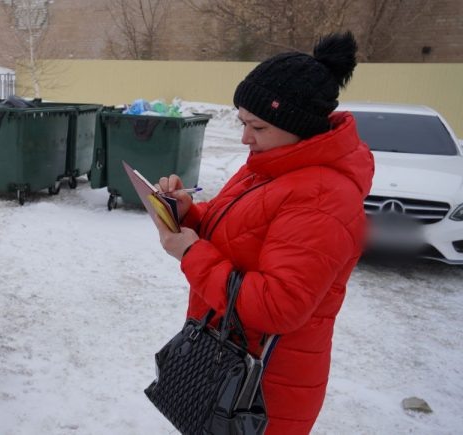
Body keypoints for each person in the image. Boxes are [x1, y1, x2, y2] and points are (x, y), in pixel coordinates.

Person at [153, 32, 374, 434]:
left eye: (257, 126)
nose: (244, 138)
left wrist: (192, 255)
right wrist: (191, 216)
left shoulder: (325, 197)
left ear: (300, 126)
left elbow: (278, 306)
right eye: (241, 122)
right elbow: (244, 236)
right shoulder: (271, 161)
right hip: (226, 367)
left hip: (262, 394)